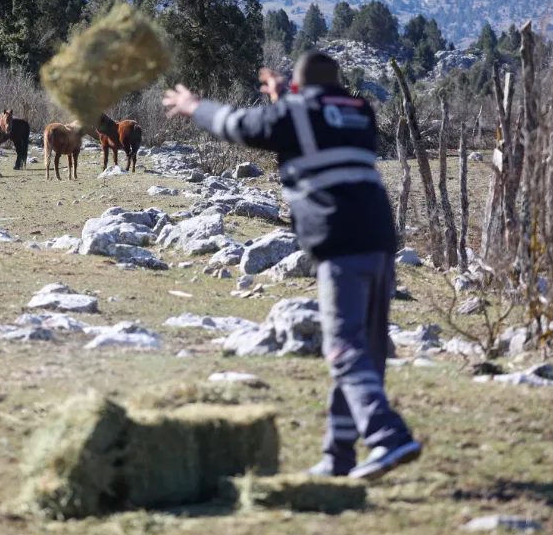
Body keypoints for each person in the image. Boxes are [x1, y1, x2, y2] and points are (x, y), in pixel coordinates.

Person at [162, 53, 421, 481]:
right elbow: (318, 119)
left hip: (340, 241)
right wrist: (289, 96)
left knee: (342, 348)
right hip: (379, 239)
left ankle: (387, 435)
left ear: (299, 89)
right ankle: (339, 456)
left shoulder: (296, 113)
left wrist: (195, 107)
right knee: (365, 349)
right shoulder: (360, 112)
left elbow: (240, 126)